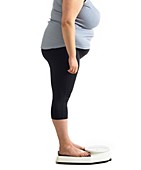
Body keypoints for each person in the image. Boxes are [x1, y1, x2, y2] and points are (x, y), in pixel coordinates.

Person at [40, 0, 100, 157]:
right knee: (61, 98)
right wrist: (72, 56)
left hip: (62, 48)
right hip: (62, 49)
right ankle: (64, 146)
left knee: (62, 97)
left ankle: (66, 142)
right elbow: (67, 22)